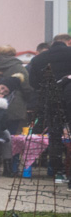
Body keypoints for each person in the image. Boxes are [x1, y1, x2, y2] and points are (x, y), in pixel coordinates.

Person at [28, 33, 71, 178]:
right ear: (68, 42)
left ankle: (58, 172)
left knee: (55, 135)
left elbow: (33, 83)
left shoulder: (38, 59)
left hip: (51, 99)